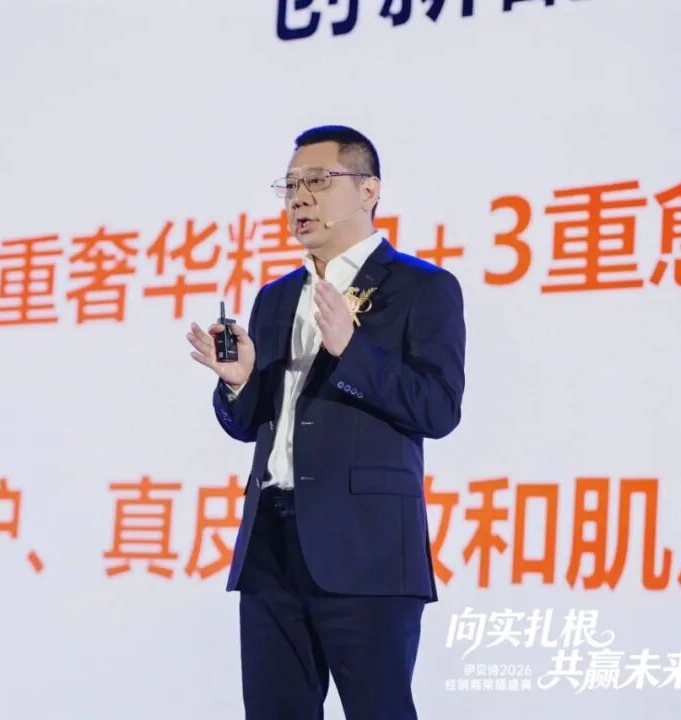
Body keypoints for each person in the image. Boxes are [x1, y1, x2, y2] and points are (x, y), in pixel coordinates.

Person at [186, 125, 466, 719]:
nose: (299, 199)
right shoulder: (275, 297)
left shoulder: (422, 287)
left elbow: (439, 408)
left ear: (369, 190)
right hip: (270, 543)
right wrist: (237, 382)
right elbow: (250, 424)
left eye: (317, 181)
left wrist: (352, 351)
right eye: (289, 186)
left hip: (367, 550)